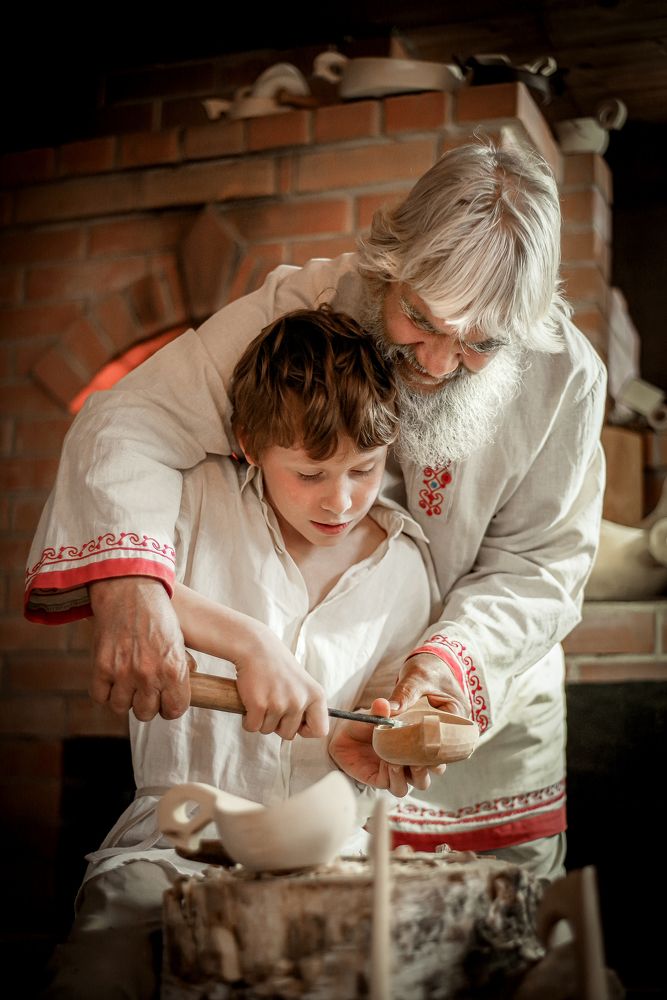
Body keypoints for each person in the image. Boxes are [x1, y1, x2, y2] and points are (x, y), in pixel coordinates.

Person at [26, 139, 607, 882]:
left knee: (479, 926)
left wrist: (438, 671)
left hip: (472, 709)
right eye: (420, 318)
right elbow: (130, 422)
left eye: (479, 344)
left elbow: (539, 565)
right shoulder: (312, 308)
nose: (436, 362)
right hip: (292, 749)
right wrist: (134, 589)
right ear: (389, 266)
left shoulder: (566, 379)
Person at [40, 307, 441, 999]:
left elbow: (382, 713)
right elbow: (123, 580)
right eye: (310, 474)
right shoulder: (194, 498)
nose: (340, 501)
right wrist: (249, 643)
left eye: (364, 469)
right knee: (102, 969)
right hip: (173, 845)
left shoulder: (404, 567)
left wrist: (385, 741)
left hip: (329, 858)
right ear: (251, 445)